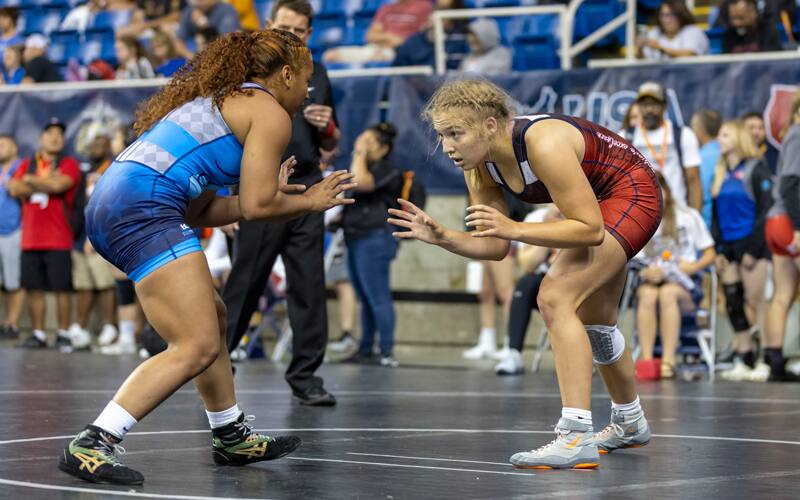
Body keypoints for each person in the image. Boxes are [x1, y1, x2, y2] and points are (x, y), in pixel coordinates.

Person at [56, 29, 355, 485]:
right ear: (288, 74)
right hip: (143, 204)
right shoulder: (270, 113)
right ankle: (95, 440)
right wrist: (310, 201)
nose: (306, 92)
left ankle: (230, 432)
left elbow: (202, 210)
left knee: (213, 317)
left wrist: (272, 195)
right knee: (194, 345)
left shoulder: (220, 103)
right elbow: (258, 208)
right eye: (306, 81)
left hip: (116, 201)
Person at [389, 79, 662, 469]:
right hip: (597, 204)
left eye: (455, 133)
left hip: (632, 192)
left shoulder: (543, 143)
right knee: (597, 322)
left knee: (555, 295)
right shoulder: (476, 165)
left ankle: (575, 436)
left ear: (489, 125)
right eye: (442, 135)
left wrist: (516, 229)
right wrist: (444, 237)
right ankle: (629, 421)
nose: (447, 146)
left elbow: (588, 229)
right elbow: (495, 247)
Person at [223, 0, 342, 407]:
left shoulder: (317, 73)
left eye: (301, 32)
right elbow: (226, 136)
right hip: (260, 181)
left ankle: (306, 374)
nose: (294, 37)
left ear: (310, 34)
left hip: (306, 182)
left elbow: (332, 143)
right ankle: (215, 361)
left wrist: (327, 128)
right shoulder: (247, 70)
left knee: (308, 281)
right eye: (286, 28)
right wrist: (226, 199)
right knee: (246, 278)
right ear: (269, 25)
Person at [7, 119, 80, 351]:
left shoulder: (69, 163)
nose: (55, 137)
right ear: (41, 138)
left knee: (62, 288)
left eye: (59, 133)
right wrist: (45, 181)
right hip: (30, 239)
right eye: (50, 133)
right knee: (33, 288)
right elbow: (14, 188)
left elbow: (61, 186)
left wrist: (30, 181)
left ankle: (63, 333)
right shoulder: (27, 164)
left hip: (59, 238)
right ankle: (38, 334)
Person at [634, 173, 715, 379]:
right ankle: (647, 359)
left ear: (667, 191)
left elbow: (710, 254)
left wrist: (693, 267)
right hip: (654, 281)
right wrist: (646, 272)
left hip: (685, 285)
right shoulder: (639, 221)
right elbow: (635, 261)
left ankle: (668, 361)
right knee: (647, 295)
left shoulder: (688, 216)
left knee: (668, 294)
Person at [710, 120, 773, 382]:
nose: (720, 139)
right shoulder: (722, 172)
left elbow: (767, 208)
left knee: (757, 302)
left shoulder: (755, 168)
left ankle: (767, 359)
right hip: (729, 246)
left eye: (724, 135)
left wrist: (752, 248)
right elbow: (715, 214)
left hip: (752, 244)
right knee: (734, 302)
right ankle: (744, 356)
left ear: (736, 138)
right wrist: (720, 248)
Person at [338, 123, 404, 367]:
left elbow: (359, 182)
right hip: (354, 235)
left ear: (383, 148)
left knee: (378, 295)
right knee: (364, 296)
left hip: (375, 237)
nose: (362, 145)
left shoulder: (389, 169)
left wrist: (358, 153)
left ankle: (386, 350)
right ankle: (366, 348)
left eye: (368, 142)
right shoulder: (367, 165)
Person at [493, 204, 561, 376]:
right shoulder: (536, 218)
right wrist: (548, 230)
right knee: (525, 284)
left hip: (578, 281)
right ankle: (514, 353)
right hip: (547, 282)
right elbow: (527, 265)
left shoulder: (586, 213)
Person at [764, 90, 800, 382]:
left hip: (779, 220)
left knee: (782, 294)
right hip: (790, 220)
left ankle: (775, 362)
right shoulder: (799, 134)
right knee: (783, 294)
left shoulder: (792, 134)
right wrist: (798, 228)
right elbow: (789, 183)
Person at [622, 82, 702, 211]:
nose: (648, 109)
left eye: (654, 104)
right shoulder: (625, 137)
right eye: (644, 104)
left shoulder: (683, 135)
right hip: (639, 216)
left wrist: (695, 217)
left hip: (678, 215)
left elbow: (694, 180)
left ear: (664, 106)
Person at [0, 134, 23, 340]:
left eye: (3, 144)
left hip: (14, 231)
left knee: (14, 281)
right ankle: (2, 322)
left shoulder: (22, 167)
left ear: (14, 148)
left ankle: (13, 324)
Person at [638, 0, 709, 60]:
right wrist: (640, 49)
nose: (667, 20)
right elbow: (645, 63)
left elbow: (690, 55)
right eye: (663, 15)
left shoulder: (693, 31)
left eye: (671, 15)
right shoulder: (654, 33)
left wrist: (661, 48)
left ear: (681, 16)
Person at [690, 108, 722, 228]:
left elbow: (702, 195)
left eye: (693, 126)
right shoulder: (724, 152)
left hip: (707, 225)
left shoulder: (702, 158)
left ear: (700, 129)